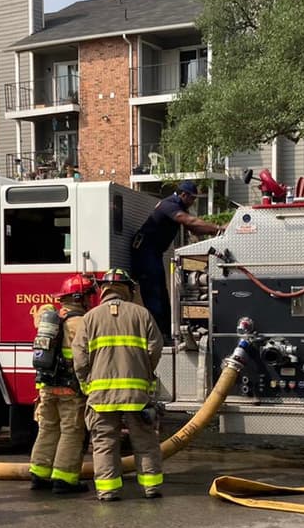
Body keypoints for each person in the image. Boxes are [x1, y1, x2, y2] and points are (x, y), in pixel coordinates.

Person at [72, 268, 164, 501]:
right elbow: (155, 348)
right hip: (137, 394)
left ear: (103, 289)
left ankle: (108, 490)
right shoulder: (142, 315)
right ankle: (151, 487)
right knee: (145, 440)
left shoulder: (90, 317)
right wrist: (145, 371)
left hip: (101, 396)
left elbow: (80, 357)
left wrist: (86, 384)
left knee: (104, 442)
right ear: (128, 289)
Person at [28, 274, 95, 495]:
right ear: (81, 298)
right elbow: (85, 358)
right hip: (70, 389)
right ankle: (65, 479)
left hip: (47, 387)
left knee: (47, 428)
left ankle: (39, 473)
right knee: (71, 431)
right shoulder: (81, 323)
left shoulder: (53, 320)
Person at [131, 180, 219, 342]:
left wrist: (217, 233)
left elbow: (195, 228)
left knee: (162, 294)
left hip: (153, 253)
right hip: (145, 251)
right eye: (192, 198)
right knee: (154, 293)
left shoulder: (178, 207)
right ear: (183, 195)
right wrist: (219, 229)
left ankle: (165, 333)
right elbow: (189, 221)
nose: (193, 202)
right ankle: (157, 335)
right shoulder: (169, 205)